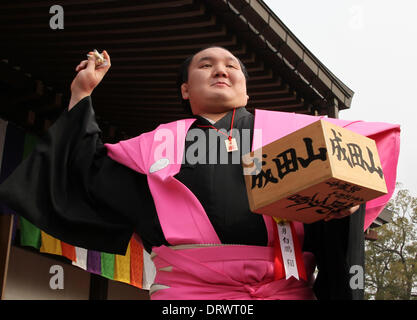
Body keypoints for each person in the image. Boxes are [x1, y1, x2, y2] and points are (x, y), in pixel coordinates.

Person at [0, 46, 398, 300]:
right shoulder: (154, 147)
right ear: (186, 89)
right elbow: (85, 169)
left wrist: (343, 201)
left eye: (231, 66)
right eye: (205, 65)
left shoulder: (291, 137)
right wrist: (81, 94)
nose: (220, 70)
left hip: (282, 292)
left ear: (246, 90)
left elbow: (359, 154)